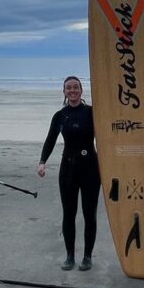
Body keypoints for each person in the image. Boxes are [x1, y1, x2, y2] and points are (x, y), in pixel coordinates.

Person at [36, 76, 100, 271]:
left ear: (82, 90)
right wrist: (42, 162)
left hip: (90, 168)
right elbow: (50, 140)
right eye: (68, 88)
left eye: (75, 87)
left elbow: (107, 137)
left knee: (90, 214)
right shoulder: (60, 115)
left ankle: (87, 256)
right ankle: (70, 256)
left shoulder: (92, 112)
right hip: (68, 169)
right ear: (64, 92)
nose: (72, 91)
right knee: (68, 214)